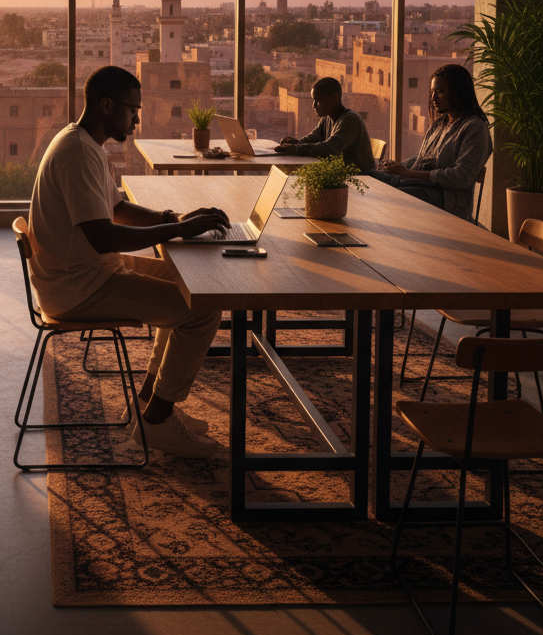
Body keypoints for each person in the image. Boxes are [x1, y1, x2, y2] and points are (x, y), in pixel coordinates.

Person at [27, 65, 230, 459]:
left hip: (87, 273)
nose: (137, 118)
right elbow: (103, 237)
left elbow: (116, 208)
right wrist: (176, 232)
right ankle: (156, 421)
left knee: (191, 286)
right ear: (107, 105)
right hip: (77, 288)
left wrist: (174, 220)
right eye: (132, 109)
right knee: (201, 310)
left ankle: (147, 402)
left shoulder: (84, 143)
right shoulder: (78, 154)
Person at [370, 63, 492, 221]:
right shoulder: (440, 123)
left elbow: (461, 177)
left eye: (440, 92)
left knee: (387, 195)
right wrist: (396, 166)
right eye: (432, 92)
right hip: (419, 187)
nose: (433, 98)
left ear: (458, 92)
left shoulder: (474, 128)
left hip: (446, 202)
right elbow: (420, 157)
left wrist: (407, 173)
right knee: (369, 175)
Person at [274, 76, 376, 173]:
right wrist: (294, 143)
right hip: (343, 176)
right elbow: (313, 138)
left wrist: (294, 149)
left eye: (317, 101)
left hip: (363, 177)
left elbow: (329, 149)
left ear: (334, 98)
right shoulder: (327, 118)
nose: (313, 106)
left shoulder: (350, 120)